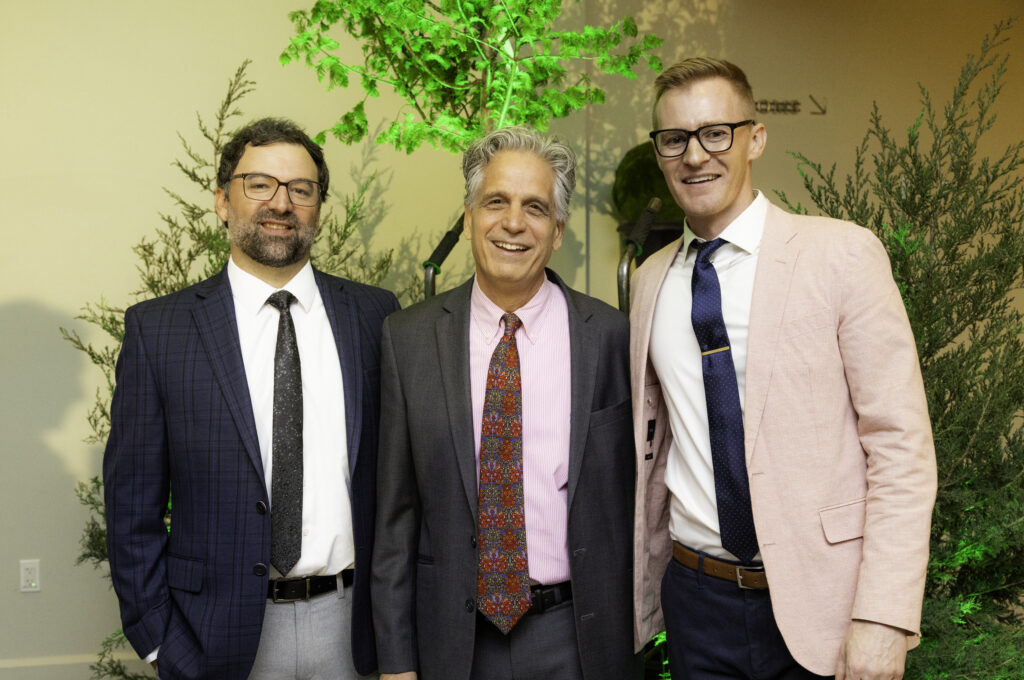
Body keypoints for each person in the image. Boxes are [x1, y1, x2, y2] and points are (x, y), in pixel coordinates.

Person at [630, 58, 937, 679]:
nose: (695, 156)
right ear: (660, 153)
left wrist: (883, 616)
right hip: (696, 598)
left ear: (756, 138)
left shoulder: (842, 254)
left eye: (717, 133)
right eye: (675, 139)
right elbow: (655, 447)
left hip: (824, 601)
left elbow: (901, 446)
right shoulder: (648, 281)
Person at [104, 117, 399, 679]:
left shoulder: (375, 316)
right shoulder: (159, 330)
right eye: (259, 184)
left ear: (318, 206)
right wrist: (159, 639)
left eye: (301, 189)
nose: (280, 203)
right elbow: (131, 505)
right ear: (222, 200)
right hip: (213, 636)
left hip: (354, 630)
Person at [372, 127, 638, 680]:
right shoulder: (408, 339)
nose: (513, 223)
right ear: (469, 217)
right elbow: (395, 520)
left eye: (535, 207)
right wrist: (395, 662)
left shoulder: (611, 337)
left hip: (579, 638)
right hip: (453, 645)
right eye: (496, 202)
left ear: (558, 230)